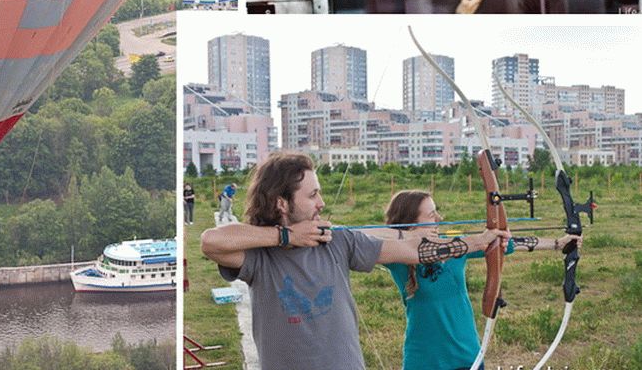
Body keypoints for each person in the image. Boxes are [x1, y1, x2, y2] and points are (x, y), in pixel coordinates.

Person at [200, 153, 510, 370]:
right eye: (312, 196)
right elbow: (210, 242)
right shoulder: (260, 257)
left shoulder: (339, 241)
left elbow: (416, 250)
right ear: (282, 203)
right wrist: (285, 237)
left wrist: (478, 241)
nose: (321, 203)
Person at [374, 190, 581, 370]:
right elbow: (370, 240)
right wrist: (406, 235)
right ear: (409, 221)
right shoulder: (397, 258)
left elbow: (508, 244)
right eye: (431, 214)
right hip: (423, 360)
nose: (439, 218)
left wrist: (558, 243)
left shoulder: (457, 247)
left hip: (466, 355)